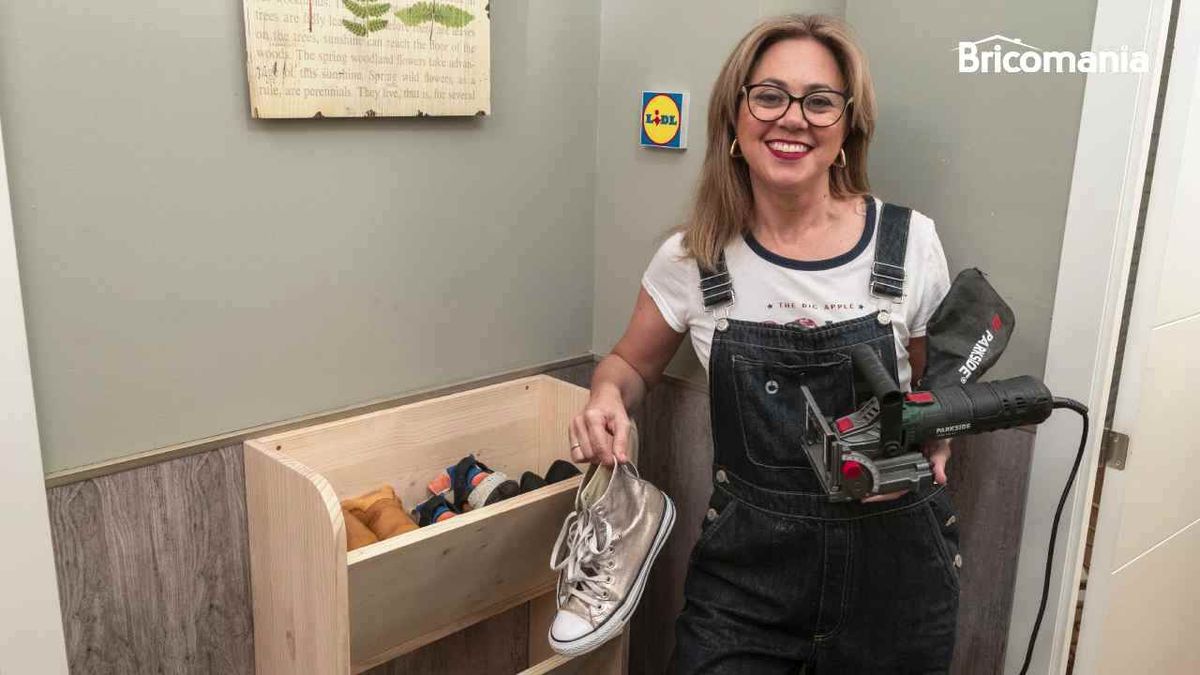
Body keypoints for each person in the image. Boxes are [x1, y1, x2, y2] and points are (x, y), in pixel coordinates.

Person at [567, 13, 963, 674]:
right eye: (770, 95)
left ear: (846, 130)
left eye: (820, 101)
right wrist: (607, 394)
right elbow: (630, 363)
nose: (793, 118)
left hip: (895, 581)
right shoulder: (693, 258)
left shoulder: (910, 243)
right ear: (735, 119)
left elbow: (935, 393)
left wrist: (938, 432)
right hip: (746, 584)